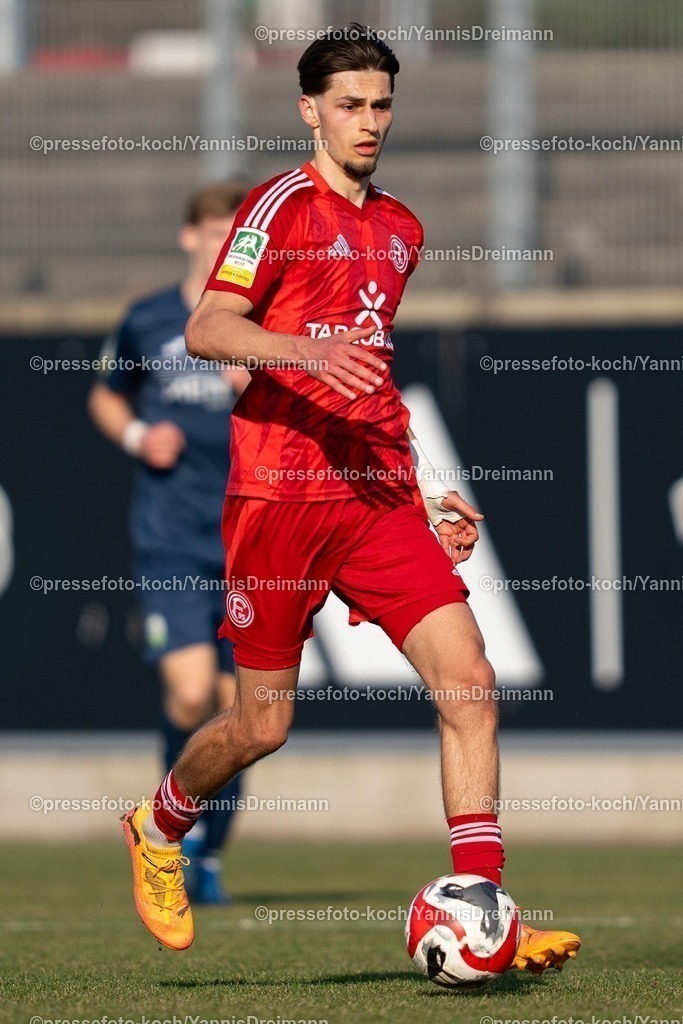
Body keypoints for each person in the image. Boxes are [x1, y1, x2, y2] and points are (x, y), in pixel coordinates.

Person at [122, 25, 581, 974]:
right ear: (309, 110)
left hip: (371, 497)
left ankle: (482, 907)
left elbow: (369, 382)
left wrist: (426, 487)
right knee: (261, 726)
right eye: (348, 105)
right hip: (277, 499)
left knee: (469, 682)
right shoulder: (278, 207)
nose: (367, 122)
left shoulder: (401, 229)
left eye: (380, 105)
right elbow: (209, 326)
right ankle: (158, 827)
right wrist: (304, 350)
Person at [90, 181, 250, 904]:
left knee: (241, 714)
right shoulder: (149, 318)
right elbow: (106, 392)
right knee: (190, 697)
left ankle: (207, 856)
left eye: (238, 238)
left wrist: (257, 383)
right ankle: (165, 832)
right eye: (215, 233)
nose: (224, 248)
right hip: (173, 542)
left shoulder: (262, 324)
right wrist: (135, 435)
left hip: (251, 543)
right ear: (190, 237)